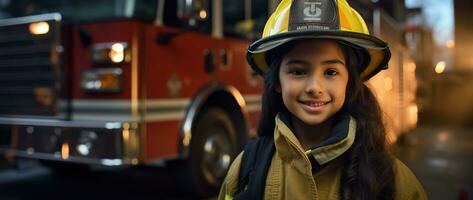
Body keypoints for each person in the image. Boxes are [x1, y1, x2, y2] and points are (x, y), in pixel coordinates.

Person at [219, 0, 427, 199]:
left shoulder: (392, 181)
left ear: (350, 81)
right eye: (298, 71)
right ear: (277, 82)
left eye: (330, 72)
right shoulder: (245, 171)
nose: (314, 88)